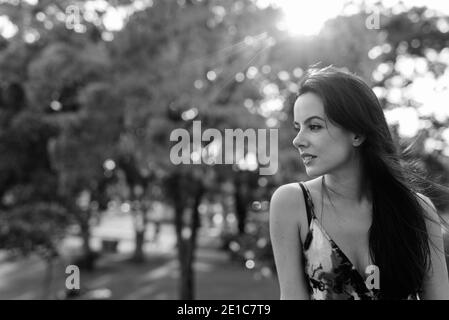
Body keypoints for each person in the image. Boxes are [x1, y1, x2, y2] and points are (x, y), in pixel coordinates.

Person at [269, 66, 449, 300]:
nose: (298, 140)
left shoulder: (419, 211)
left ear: (357, 133)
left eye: (314, 126)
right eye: (298, 127)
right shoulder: (292, 203)